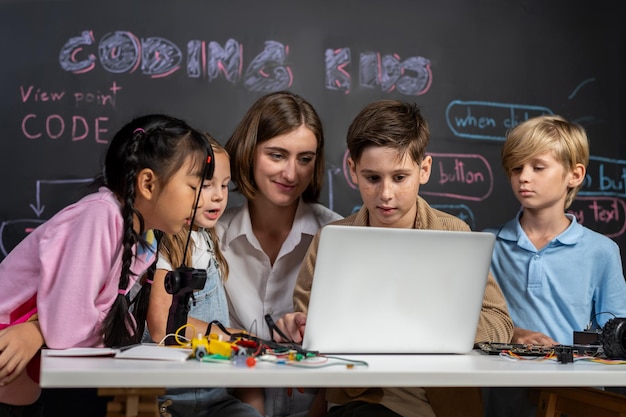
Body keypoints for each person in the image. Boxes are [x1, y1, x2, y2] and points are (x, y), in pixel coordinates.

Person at [276, 99, 514, 417]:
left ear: (424, 170)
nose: (386, 194)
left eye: (399, 178)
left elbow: (500, 324)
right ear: (352, 171)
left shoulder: (455, 234)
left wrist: (439, 324)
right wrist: (300, 330)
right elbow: (312, 330)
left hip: (440, 405)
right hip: (359, 398)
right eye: (372, 178)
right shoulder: (333, 240)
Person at [0, 114, 213, 417]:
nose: (201, 200)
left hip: (31, 376)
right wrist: (38, 330)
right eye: (194, 187)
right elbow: (67, 334)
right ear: (148, 183)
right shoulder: (100, 216)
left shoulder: (140, 238)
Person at [482, 115, 626, 417]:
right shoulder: (484, 244)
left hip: (574, 399)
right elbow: (465, 319)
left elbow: (617, 339)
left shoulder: (602, 251)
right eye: (516, 168)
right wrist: (513, 333)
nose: (524, 177)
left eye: (538, 167)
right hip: (499, 397)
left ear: (574, 175)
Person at [216, 91, 342, 417]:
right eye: (277, 155)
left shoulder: (337, 236)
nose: (291, 174)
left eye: (305, 159)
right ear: (249, 152)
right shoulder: (212, 238)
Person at [146, 135, 263, 417]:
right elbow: (161, 325)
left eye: (224, 185)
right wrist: (225, 335)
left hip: (213, 398)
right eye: (206, 185)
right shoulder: (167, 243)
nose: (219, 195)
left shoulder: (204, 239)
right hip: (169, 398)